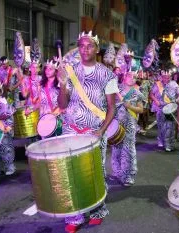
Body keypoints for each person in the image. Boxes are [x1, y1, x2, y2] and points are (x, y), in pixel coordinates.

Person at [57, 31, 118, 233]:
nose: (85, 49)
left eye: (89, 45)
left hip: (94, 132)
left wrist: (101, 130)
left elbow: (112, 107)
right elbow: (62, 104)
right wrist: (63, 83)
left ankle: (97, 210)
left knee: (94, 172)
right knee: (71, 172)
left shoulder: (107, 74)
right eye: (82, 45)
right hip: (70, 130)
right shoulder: (70, 70)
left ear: (97, 49)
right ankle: (75, 216)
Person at [110, 71, 144, 186]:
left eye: (134, 77)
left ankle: (128, 175)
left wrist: (130, 106)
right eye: (129, 75)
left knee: (129, 150)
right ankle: (117, 172)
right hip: (116, 124)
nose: (132, 78)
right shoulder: (116, 89)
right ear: (124, 77)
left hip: (130, 125)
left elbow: (141, 110)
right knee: (116, 149)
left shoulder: (137, 93)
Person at [150, 70, 179, 152]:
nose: (166, 78)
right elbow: (151, 94)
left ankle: (169, 144)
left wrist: (177, 100)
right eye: (164, 77)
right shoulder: (158, 84)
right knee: (161, 126)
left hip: (171, 109)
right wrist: (156, 101)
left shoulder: (174, 84)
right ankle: (161, 140)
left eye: (168, 77)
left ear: (170, 77)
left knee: (170, 127)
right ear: (162, 77)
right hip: (160, 108)